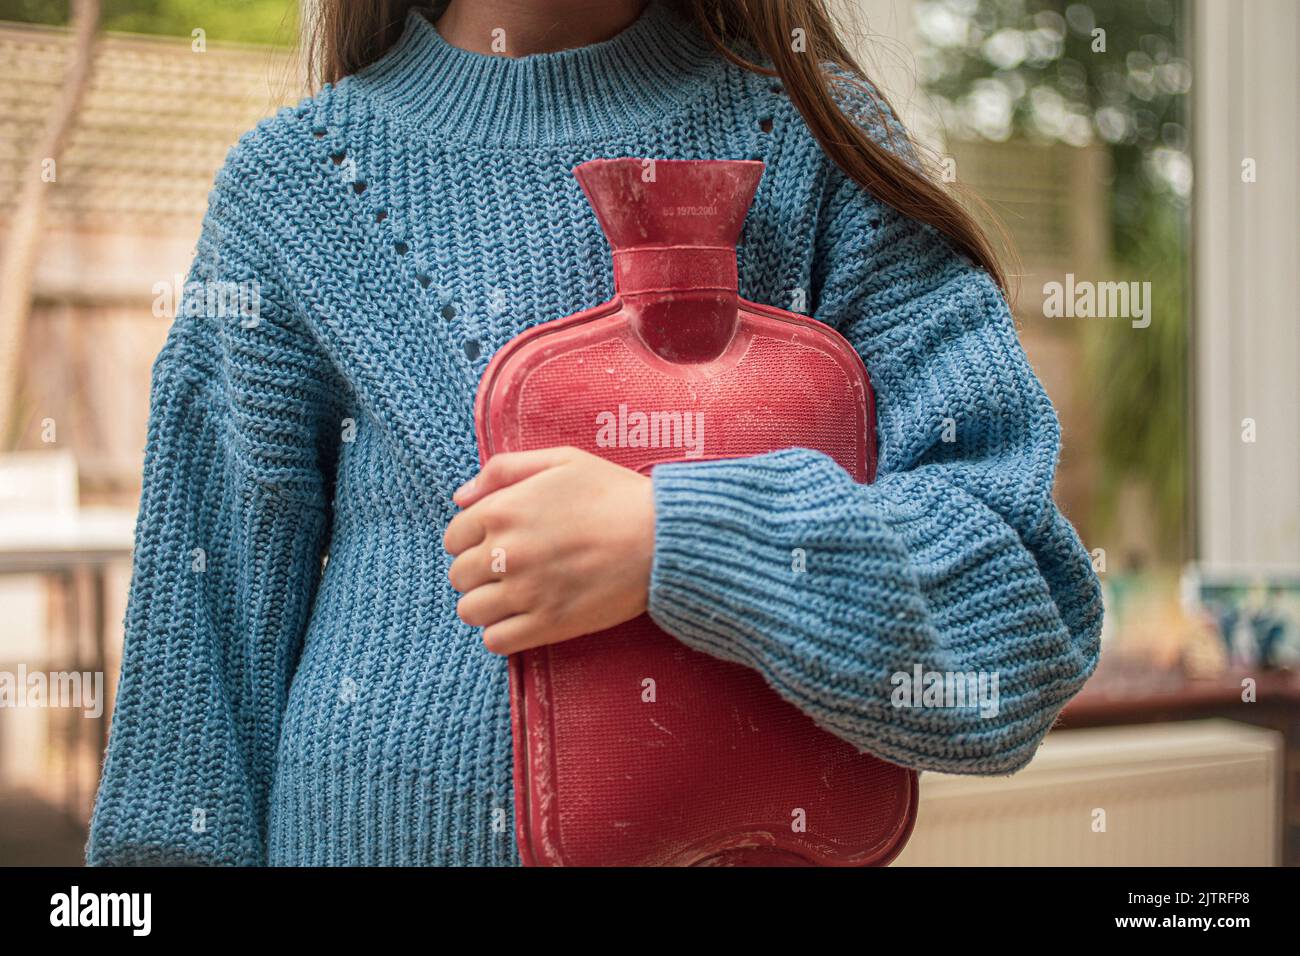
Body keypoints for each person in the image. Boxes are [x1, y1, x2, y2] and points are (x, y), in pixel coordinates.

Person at [87, 0, 1102, 866]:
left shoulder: (818, 145)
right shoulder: (293, 187)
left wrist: (679, 539)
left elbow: (1022, 621)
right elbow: (193, 703)